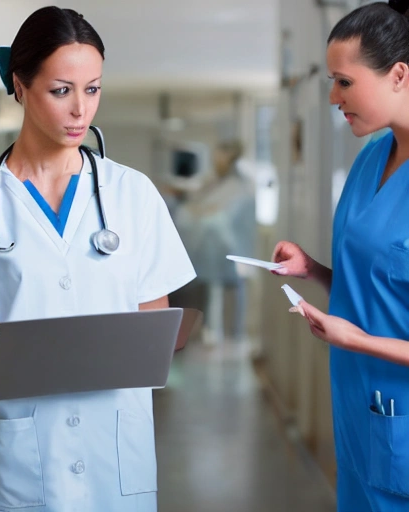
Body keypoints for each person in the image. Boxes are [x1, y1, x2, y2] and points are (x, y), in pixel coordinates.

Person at [0, 7, 196, 512]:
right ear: (19, 85)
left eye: (93, 88)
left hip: (115, 454)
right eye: (61, 91)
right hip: (20, 466)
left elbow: (155, 334)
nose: (81, 110)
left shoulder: (133, 196)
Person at [272, 2, 409, 510]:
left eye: (344, 82)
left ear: (398, 75)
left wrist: (358, 339)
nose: (332, 97)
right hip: (359, 414)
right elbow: (379, 285)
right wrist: (315, 271)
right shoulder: (372, 156)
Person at [174, 140, 256, 344]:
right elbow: (199, 202)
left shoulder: (238, 185)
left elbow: (217, 212)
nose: (216, 161)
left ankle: (232, 334)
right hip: (214, 248)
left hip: (230, 248)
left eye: (220, 156)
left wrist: (197, 211)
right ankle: (215, 332)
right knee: (214, 291)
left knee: (231, 293)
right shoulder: (216, 182)